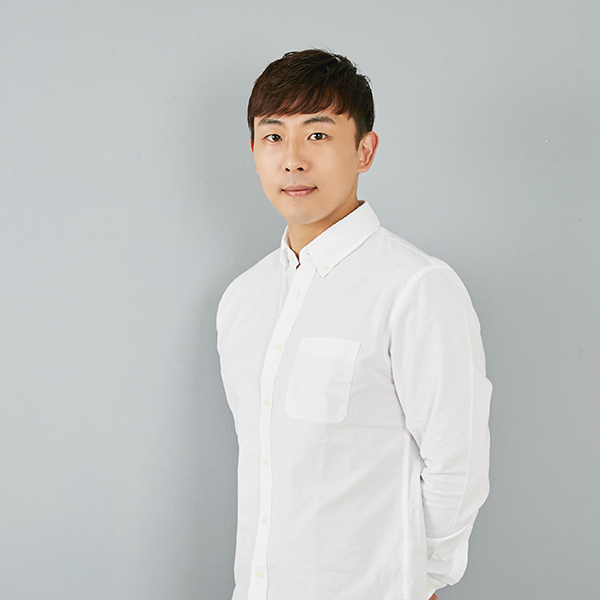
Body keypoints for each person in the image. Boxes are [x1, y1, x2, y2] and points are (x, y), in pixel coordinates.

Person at [216, 49, 491, 600]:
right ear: (253, 151)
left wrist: (422, 579)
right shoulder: (243, 298)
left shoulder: (414, 287)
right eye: (273, 137)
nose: (292, 160)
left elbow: (456, 462)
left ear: (365, 150)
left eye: (317, 135)